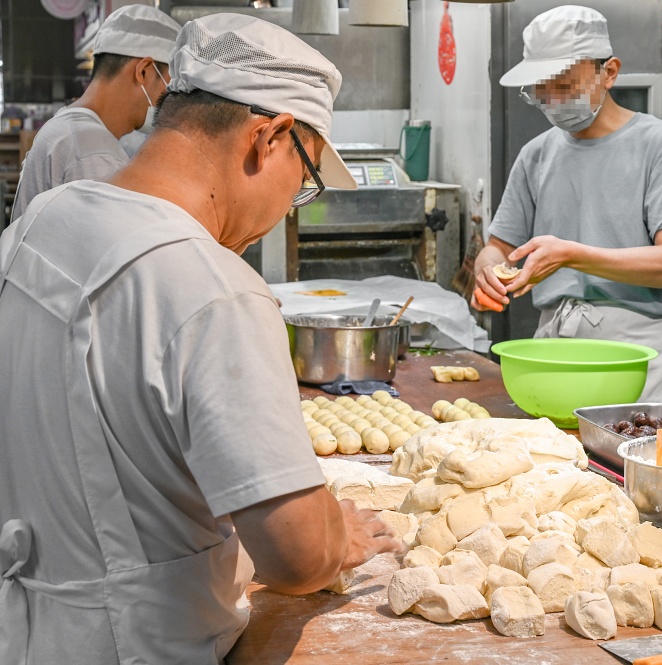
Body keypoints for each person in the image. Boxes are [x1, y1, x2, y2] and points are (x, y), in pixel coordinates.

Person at [0, 13, 398, 664]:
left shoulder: (43, 224)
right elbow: (294, 555)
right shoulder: (215, 289)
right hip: (137, 648)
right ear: (269, 137)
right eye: (302, 182)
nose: (282, 210)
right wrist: (335, 532)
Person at [472, 5, 662, 410]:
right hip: (554, 355)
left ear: (610, 72)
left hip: (638, 361)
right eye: (540, 90)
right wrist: (485, 271)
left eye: (565, 85)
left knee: (638, 466)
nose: (551, 100)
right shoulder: (537, 155)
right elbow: (498, 247)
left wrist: (572, 256)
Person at [10, 4, 180, 221]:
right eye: (169, 84)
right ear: (144, 71)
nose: (169, 99)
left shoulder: (68, 128)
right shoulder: (94, 154)